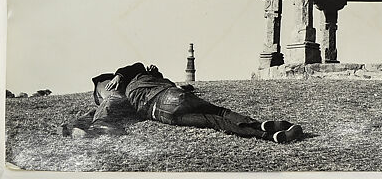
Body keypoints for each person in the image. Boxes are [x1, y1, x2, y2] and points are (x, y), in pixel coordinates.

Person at [65, 62, 303, 143]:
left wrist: (73, 126)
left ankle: (270, 137)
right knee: (219, 112)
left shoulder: (125, 95)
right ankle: (262, 126)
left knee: (214, 122)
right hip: (171, 97)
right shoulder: (138, 77)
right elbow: (137, 65)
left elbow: (105, 108)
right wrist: (119, 73)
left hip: (162, 115)